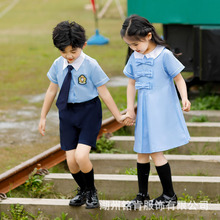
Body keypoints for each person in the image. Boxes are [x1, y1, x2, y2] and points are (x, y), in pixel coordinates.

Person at [38, 21, 130, 209]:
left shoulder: (91, 65)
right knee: (71, 161)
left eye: (73, 51)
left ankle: (92, 192)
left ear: (83, 45)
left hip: (88, 112)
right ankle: (83, 190)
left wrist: (118, 116)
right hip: (67, 114)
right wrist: (43, 117)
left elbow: (104, 92)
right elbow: (50, 91)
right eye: (64, 52)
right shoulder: (58, 64)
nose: (69, 56)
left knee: (81, 157)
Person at [120, 15, 191, 210]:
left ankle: (169, 195)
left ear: (149, 35)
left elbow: (179, 78)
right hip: (144, 111)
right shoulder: (135, 57)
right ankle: (142, 195)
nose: (134, 48)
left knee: (155, 151)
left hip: (160, 110)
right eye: (130, 45)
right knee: (141, 152)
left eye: (136, 44)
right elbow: (131, 83)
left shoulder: (163, 55)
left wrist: (184, 97)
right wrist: (130, 110)